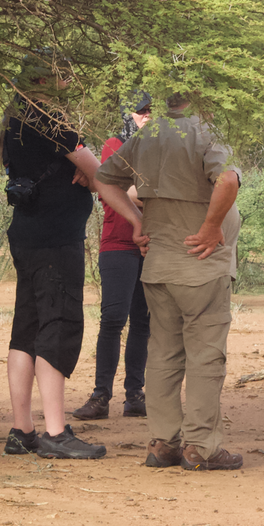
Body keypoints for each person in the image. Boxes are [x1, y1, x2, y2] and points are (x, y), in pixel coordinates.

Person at [95, 94, 244, 471]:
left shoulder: (149, 134)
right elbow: (227, 178)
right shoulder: (206, 132)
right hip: (201, 265)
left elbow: (103, 179)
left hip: (158, 265)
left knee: (162, 354)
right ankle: (201, 447)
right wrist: (211, 228)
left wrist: (136, 221)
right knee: (205, 356)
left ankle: (163, 443)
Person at [0, 63, 108, 460]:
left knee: (25, 327)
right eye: (62, 74)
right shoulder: (47, 117)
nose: (69, 79)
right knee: (57, 325)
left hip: (28, 235)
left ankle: (22, 430)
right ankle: (56, 432)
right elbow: (100, 172)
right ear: (42, 81)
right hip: (55, 239)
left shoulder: (14, 119)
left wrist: (80, 171)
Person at [72, 92, 152, 422]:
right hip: (118, 243)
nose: (146, 116)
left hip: (150, 244)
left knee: (143, 322)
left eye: (149, 111)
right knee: (114, 319)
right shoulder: (112, 145)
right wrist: (145, 190)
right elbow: (115, 189)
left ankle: (135, 393)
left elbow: (135, 189)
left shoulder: (156, 149)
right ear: (126, 115)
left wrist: (137, 189)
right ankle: (101, 394)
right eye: (140, 112)